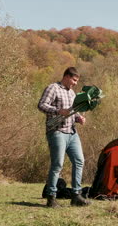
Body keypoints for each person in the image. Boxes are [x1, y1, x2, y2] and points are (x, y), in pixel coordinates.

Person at [38, 67, 91, 208]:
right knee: (57, 165)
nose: (75, 83)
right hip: (56, 132)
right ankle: (51, 198)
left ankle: (76, 196)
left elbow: (72, 112)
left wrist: (79, 118)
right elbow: (41, 105)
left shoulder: (72, 93)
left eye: (76, 81)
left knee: (79, 161)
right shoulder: (53, 88)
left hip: (72, 133)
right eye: (74, 80)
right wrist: (57, 111)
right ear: (66, 76)